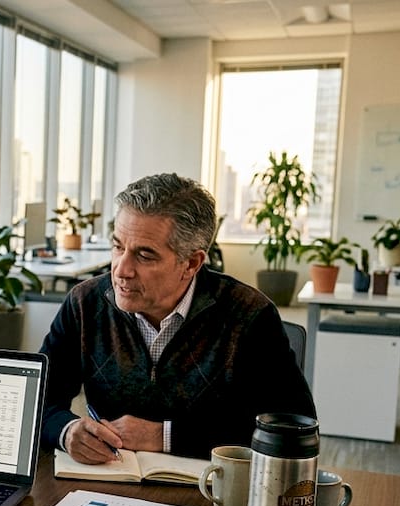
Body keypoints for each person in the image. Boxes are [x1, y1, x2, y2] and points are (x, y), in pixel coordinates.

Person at [40, 172, 316, 464]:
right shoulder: (85, 303)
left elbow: (294, 431)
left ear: (192, 263)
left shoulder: (249, 315)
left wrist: (165, 436)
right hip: (111, 481)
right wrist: (67, 430)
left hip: (210, 490)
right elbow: (37, 402)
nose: (121, 269)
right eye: (118, 246)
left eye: (144, 255)